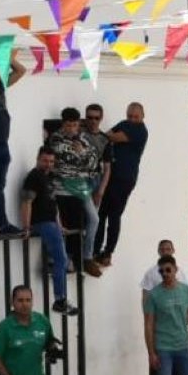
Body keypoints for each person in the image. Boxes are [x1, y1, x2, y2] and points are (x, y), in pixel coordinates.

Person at [18, 145, 78, 315]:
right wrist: (26, 227)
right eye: (45, 160)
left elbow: (53, 205)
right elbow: (26, 202)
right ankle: (60, 300)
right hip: (42, 223)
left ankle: (61, 299)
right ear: (38, 159)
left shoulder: (49, 177)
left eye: (51, 161)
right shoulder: (34, 177)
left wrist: (59, 225)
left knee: (61, 260)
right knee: (61, 259)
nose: (48, 164)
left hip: (51, 223)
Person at [47, 108, 100, 267]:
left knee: (94, 219)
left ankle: (87, 255)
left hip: (81, 186)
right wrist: (82, 155)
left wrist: (82, 153)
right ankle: (66, 257)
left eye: (75, 125)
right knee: (67, 224)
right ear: (63, 124)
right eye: (69, 125)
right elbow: (65, 158)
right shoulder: (56, 138)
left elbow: (94, 162)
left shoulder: (83, 138)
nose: (72, 129)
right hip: (62, 186)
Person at [0, 48, 27, 238]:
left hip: (3, 143)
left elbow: (21, 71)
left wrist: (7, 58)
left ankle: (3, 224)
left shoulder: (0, 84)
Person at [97, 102, 146, 268]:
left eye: (135, 117)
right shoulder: (124, 124)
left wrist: (102, 134)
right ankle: (97, 250)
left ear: (142, 116)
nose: (132, 119)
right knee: (101, 214)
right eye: (129, 116)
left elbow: (111, 137)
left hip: (124, 178)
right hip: (111, 176)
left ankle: (108, 252)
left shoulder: (140, 130)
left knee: (113, 215)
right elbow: (108, 135)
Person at [142, 238, 187, 375]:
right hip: (158, 322)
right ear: (158, 251)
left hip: (176, 322)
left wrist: (186, 317)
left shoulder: (180, 272)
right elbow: (146, 296)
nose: (165, 251)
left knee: (177, 356)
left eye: (168, 248)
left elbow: (185, 295)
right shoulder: (151, 273)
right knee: (156, 356)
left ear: (173, 250)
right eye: (162, 249)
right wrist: (148, 318)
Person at [79, 103, 113, 276]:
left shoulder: (104, 139)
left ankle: (85, 255)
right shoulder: (79, 135)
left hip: (95, 181)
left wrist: (101, 190)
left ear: (101, 118)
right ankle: (86, 257)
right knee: (93, 219)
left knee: (90, 222)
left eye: (96, 118)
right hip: (80, 182)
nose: (92, 121)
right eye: (89, 117)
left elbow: (107, 168)